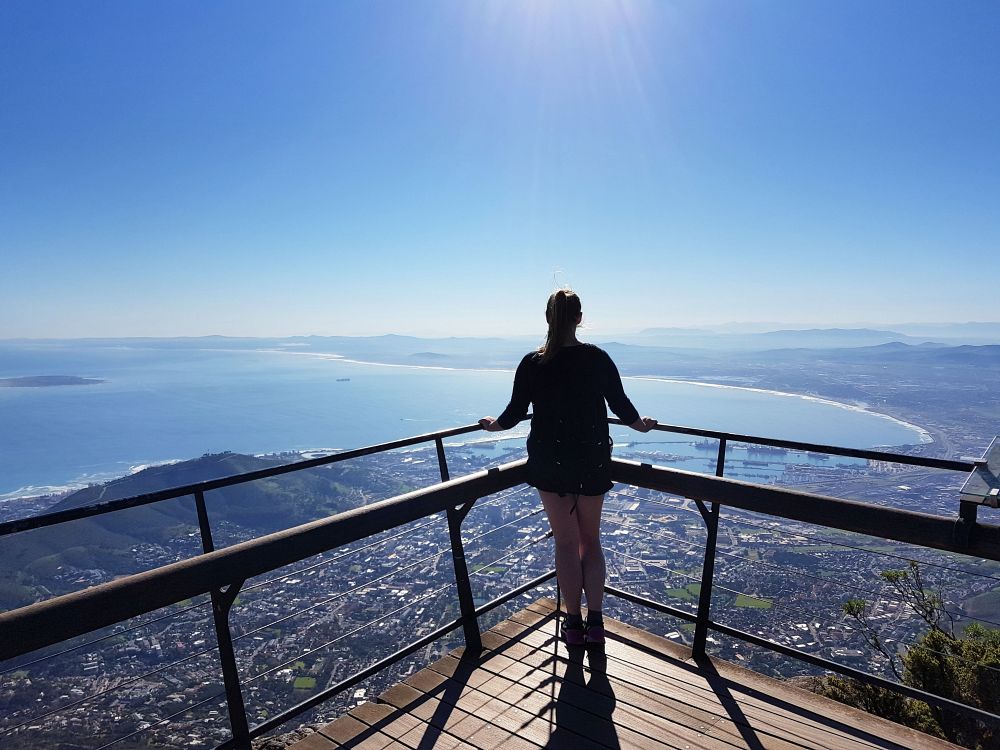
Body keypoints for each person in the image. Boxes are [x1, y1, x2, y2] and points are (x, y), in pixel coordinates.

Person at [479, 289, 656, 646]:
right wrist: (641, 426)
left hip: (549, 461)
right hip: (591, 460)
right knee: (591, 542)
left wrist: (491, 425)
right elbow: (620, 404)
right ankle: (596, 624)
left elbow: (513, 414)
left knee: (565, 542)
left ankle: (572, 624)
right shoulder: (597, 358)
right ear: (579, 317)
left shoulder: (533, 362)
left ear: (548, 318)